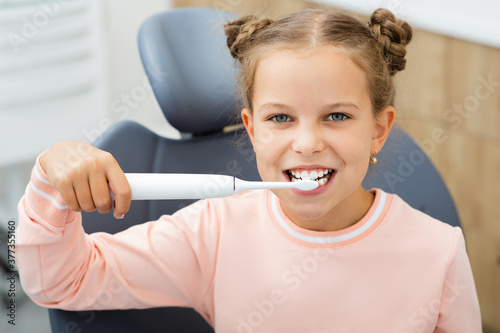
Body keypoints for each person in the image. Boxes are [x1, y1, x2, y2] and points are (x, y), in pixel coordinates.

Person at [16, 7, 481, 332]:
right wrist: (49, 180)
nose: (307, 143)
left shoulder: (438, 252)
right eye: (280, 118)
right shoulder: (213, 232)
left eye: (336, 116)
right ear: (252, 130)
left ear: (379, 130)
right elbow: (61, 282)